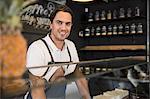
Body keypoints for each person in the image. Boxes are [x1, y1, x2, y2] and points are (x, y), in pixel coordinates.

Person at [25, 5, 91, 99]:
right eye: (59, 23)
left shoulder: (71, 46)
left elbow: (78, 75)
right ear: (51, 24)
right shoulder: (38, 48)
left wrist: (87, 97)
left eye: (67, 24)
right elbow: (37, 88)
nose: (63, 28)